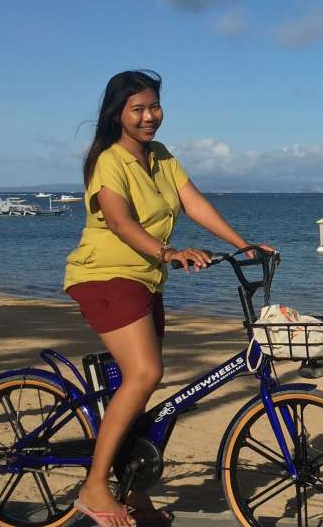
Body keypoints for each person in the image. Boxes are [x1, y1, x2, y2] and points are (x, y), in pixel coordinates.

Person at [63, 70, 273, 527]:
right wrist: (169, 252)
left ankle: (132, 492)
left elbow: (194, 204)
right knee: (146, 373)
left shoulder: (160, 156)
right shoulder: (108, 161)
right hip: (104, 275)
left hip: (145, 280)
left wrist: (243, 245)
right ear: (117, 114)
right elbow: (119, 221)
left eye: (154, 106)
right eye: (137, 109)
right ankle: (94, 487)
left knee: (139, 389)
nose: (149, 117)